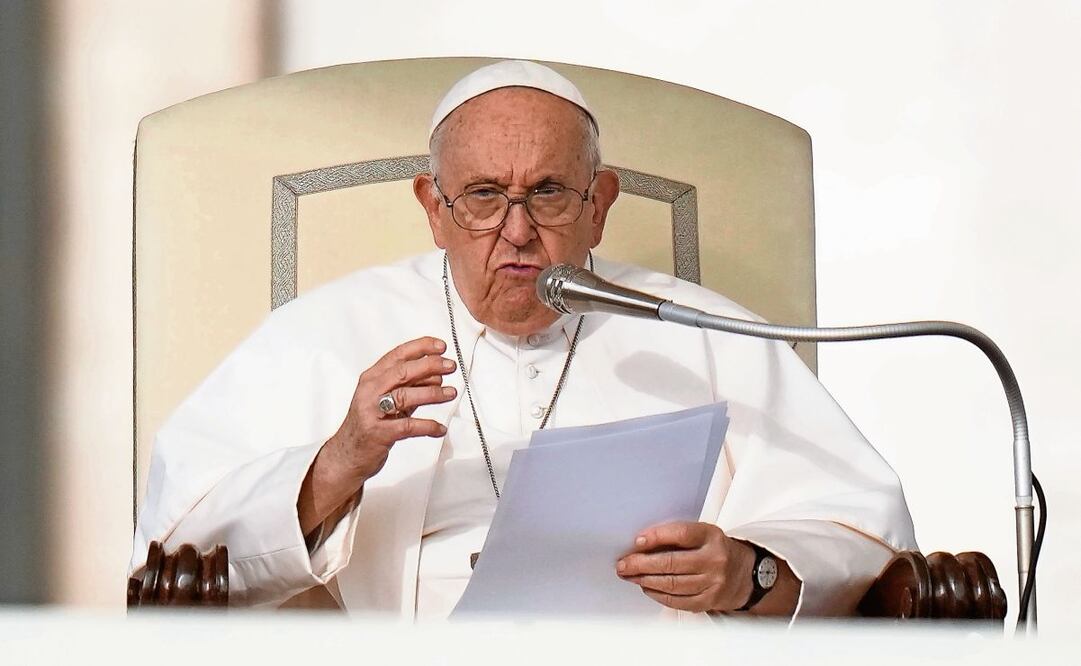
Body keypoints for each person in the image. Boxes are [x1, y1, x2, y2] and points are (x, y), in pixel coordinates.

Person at [130, 60, 916, 620]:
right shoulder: (327, 329)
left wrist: (748, 573)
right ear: (432, 208)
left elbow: (856, 532)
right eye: (480, 197)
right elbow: (176, 549)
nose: (516, 232)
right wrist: (338, 461)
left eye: (547, 193)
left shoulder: (704, 332)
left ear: (599, 203)